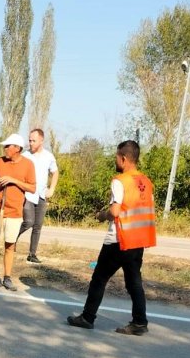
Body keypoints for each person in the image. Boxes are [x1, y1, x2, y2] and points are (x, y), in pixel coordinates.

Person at [67, 140, 156, 336]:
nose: (115, 160)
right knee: (134, 281)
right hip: (138, 239)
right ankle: (140, 323)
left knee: (99, 278)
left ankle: (87, 317)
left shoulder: (120, 180)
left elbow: (115, 211)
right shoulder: (146, 182)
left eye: (117, 157)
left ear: (123, 159)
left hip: (119, 238)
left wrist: (101, 215)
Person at [0, 133, 36, 291]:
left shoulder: (28, 165)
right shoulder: (0, 161)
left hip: (14, 210)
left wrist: (13, 180)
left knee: (10, 245)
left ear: (17, 148)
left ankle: (7, 278)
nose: (4, 149)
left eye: (8, 146)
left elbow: (32, 187)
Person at [17, 128, 59, 264]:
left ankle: (32, 254)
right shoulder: (25, 156)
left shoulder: (49, 156)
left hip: (41, 195)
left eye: (33, 141)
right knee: (28, 222)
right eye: (29, 140)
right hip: (28, 194)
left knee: (37, 225)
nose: (30, 143)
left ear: (41, 140)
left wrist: (51, 189)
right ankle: (12, 239)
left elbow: (55, 173)